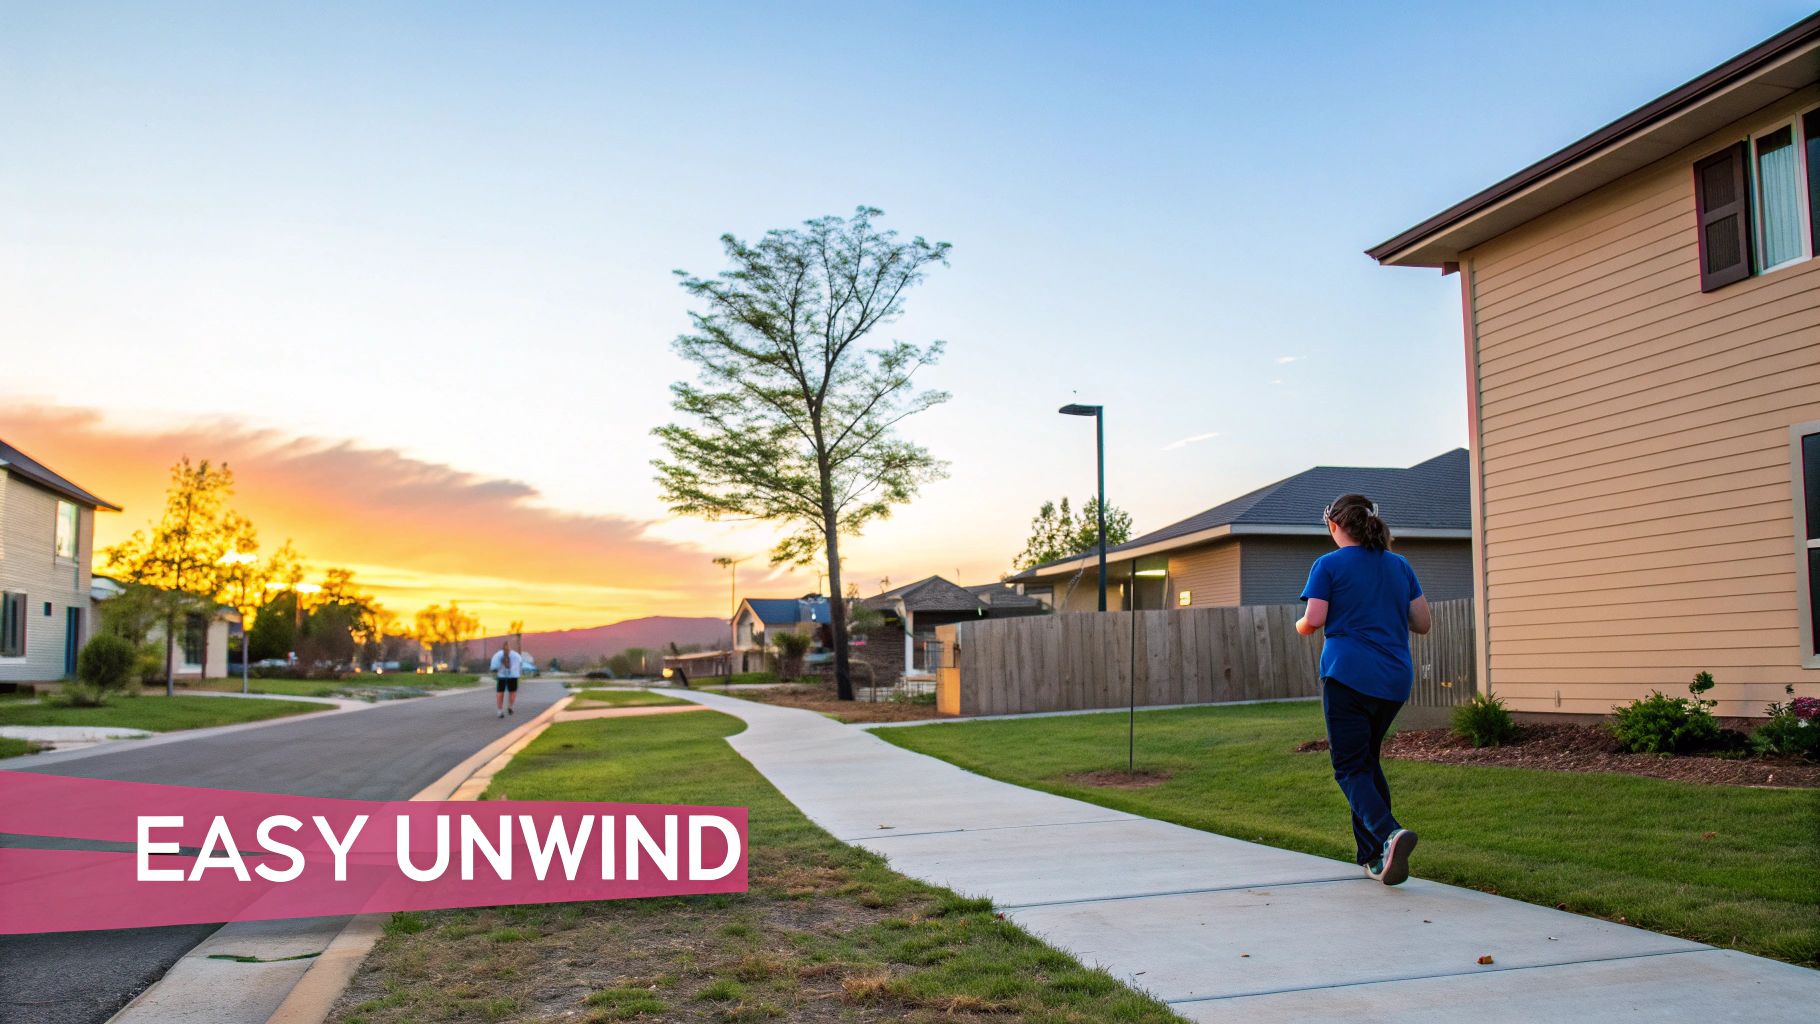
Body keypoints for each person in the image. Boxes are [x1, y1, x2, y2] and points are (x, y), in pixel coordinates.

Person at [1296, 493, 1432, 886]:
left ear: (1334, 526)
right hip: (1393, 681)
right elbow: (1422, 622)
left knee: (1349, 766)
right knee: (1366, 763)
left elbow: (1314, 619)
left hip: (1348, 675)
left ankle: (1389, 834)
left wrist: (1300, 625)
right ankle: (1374, 858)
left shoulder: (1327, 565)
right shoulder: (1399, 565)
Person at [489, 641, 523, 718]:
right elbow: (520, 664)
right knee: (512, 692)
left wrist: (495, 671)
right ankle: (510, 707)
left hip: (501, 676)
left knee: (500, 693)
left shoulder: (497, 655)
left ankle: (499, 710)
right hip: (513, 676)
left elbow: (494, 667)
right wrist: (519, 672)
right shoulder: (516, 655)